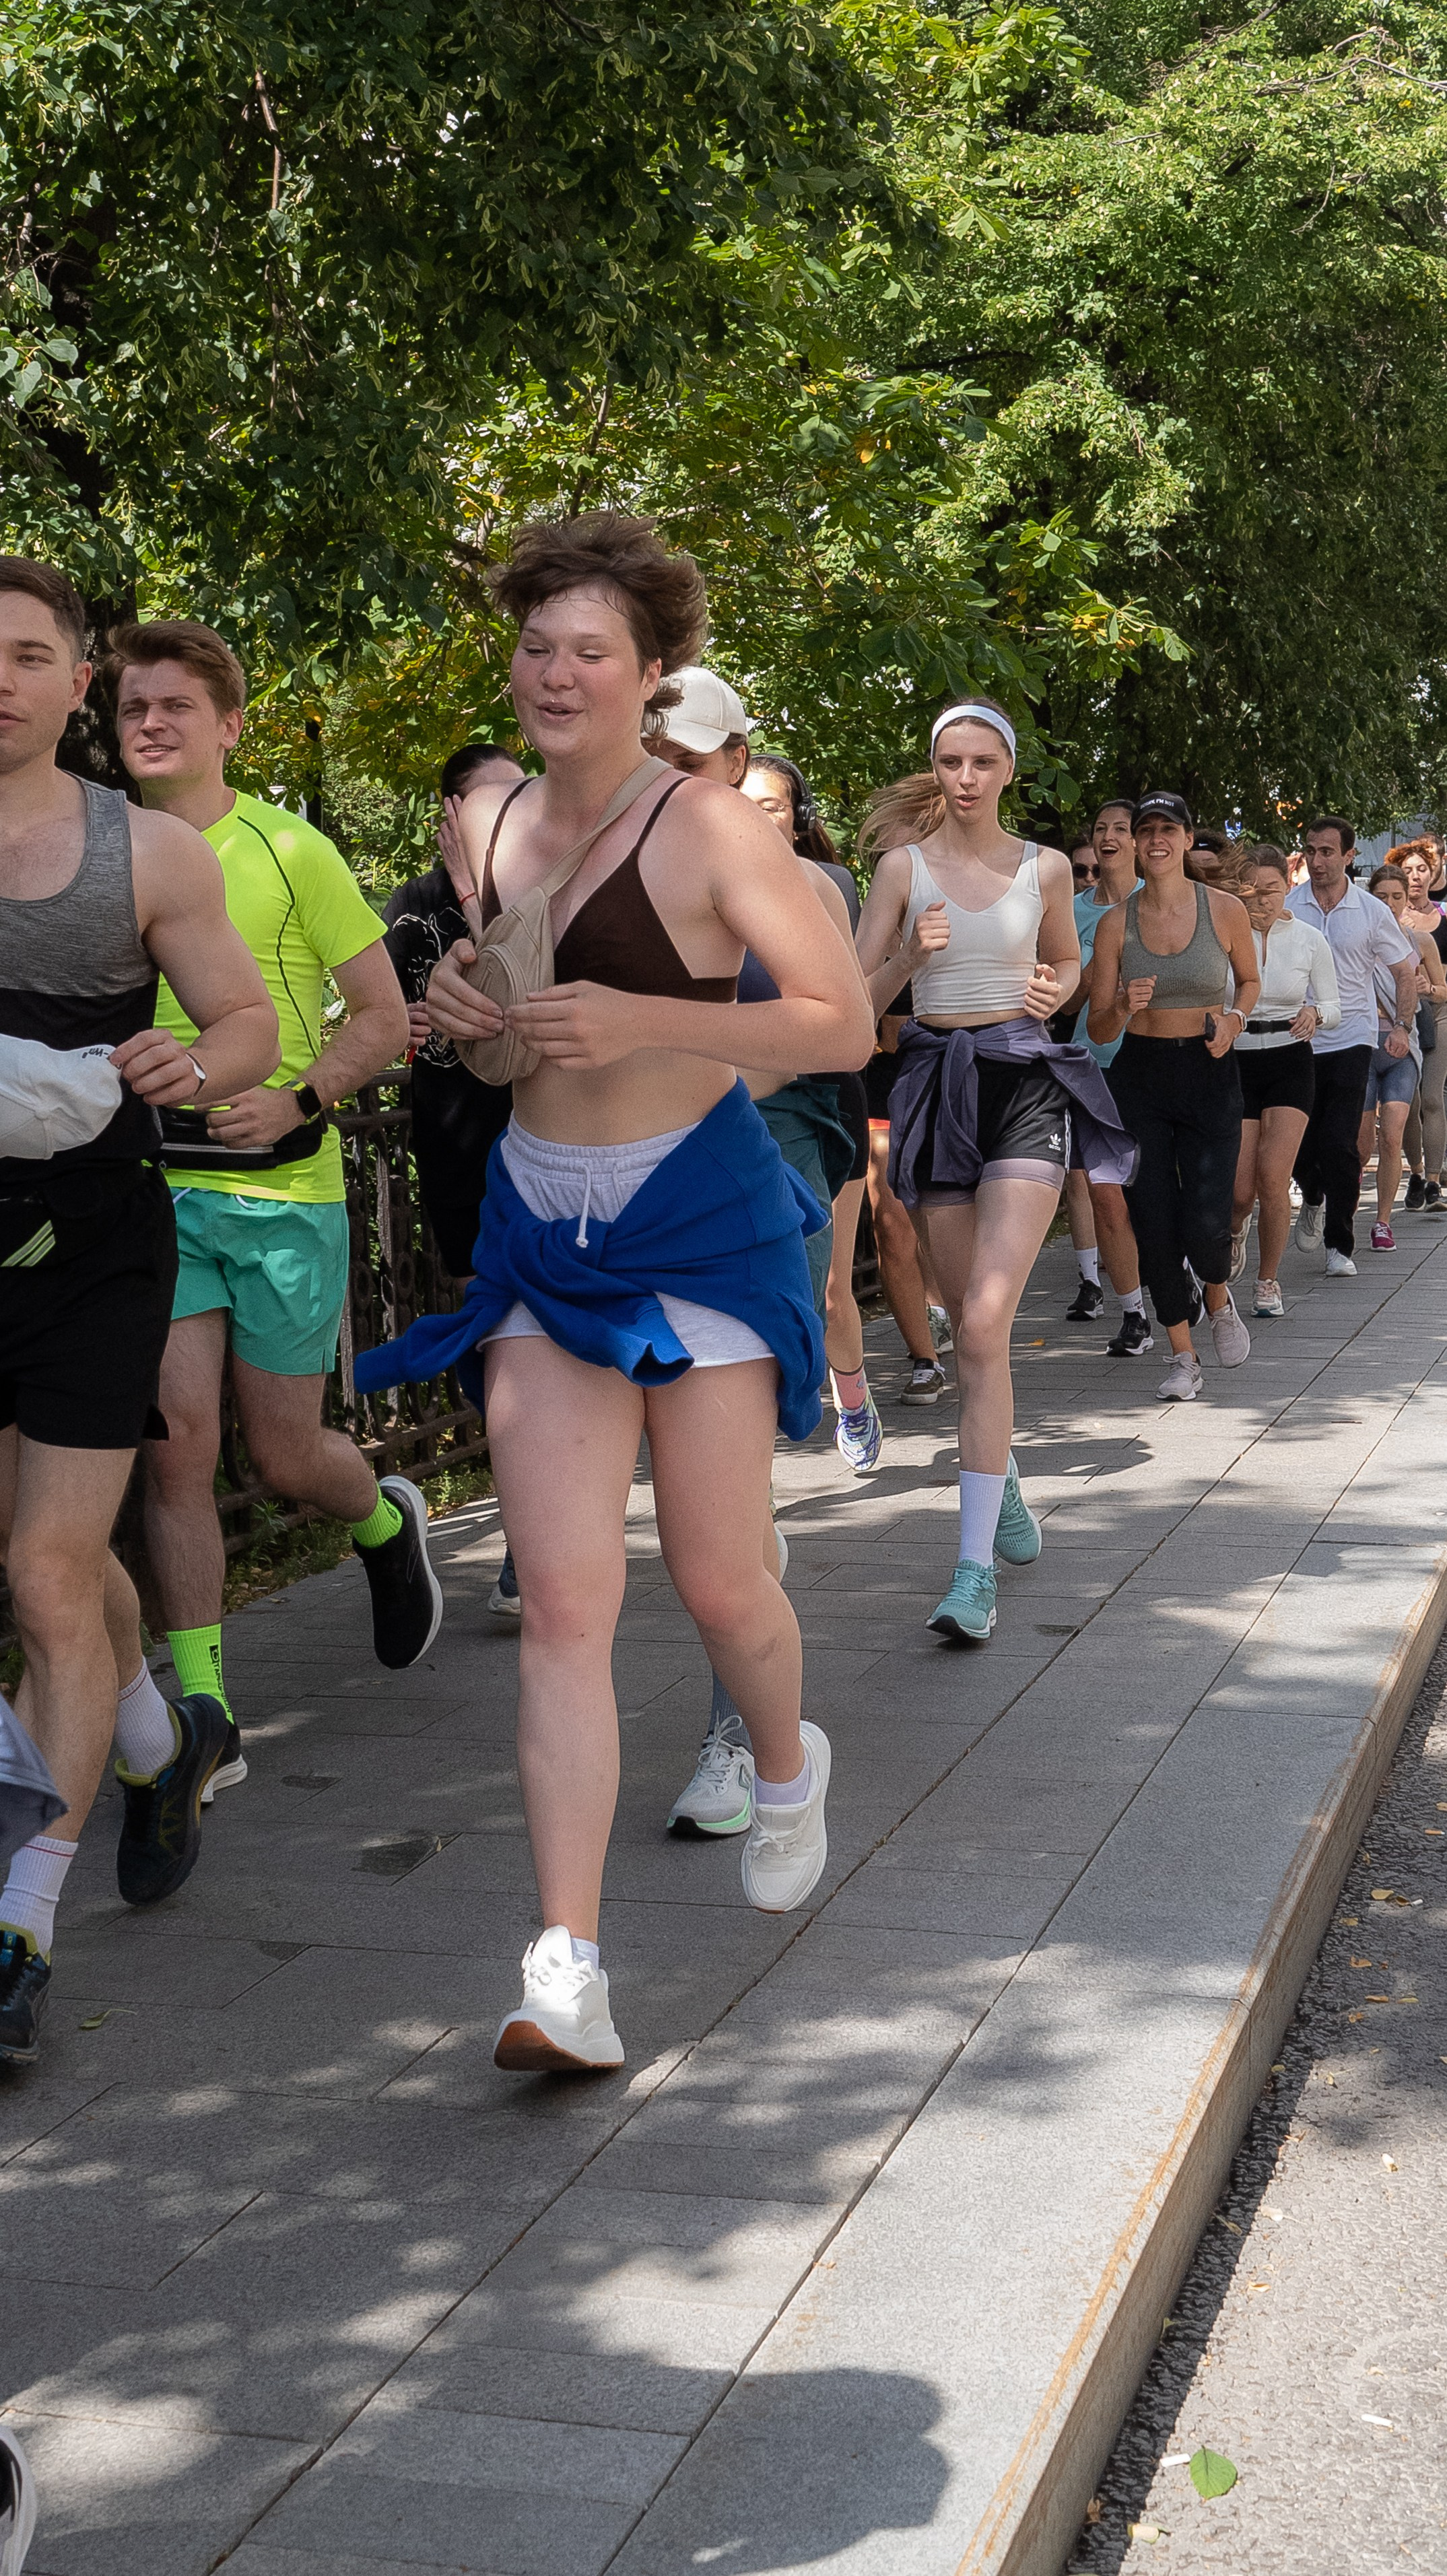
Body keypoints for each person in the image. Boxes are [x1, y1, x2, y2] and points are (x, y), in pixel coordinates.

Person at [356, 512, 873, 2072]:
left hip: (696, 1213)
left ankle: (788, 1762)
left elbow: (841, 1023)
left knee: (721, 1584)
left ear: (652, 674)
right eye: (537, 645)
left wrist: (647, 1010)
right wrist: (463, 1010)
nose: (556, 671)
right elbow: (512, 1018)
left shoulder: (714, 831)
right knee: (565, 1605)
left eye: (592, 649)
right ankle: (564, 1969)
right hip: (541, 1227)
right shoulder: (501, 823)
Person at [0, 559, 280, 2066]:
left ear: (78, 680)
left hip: (100, 1242)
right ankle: (163, 1744)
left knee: (48, 1573)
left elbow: (243, 1020)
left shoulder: (148, 854)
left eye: (30, 655)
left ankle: (18, 1927)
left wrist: (197, 1063)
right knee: (39, 1559)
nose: (2, 678)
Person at [104, 619, 442, 1782]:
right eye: (132, 707)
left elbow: (384, 1020)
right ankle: (205, 1707)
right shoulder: (102, 854)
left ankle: (384, 1521)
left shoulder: (291, 849)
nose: (149, 724)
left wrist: (299, 1100)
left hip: (280, 1191)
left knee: (287, 1454)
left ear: (228, 726)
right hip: (152, 1190)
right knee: (176, 1449)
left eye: (174, 708)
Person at [856, 700, 1134, 1642]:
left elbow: (1062, 963)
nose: (965, 776)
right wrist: (907, 952)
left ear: (1007, 769)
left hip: (1022, 1081)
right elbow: (854, 1002)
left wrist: (1055, 987)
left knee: (981, 1322)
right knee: (965, 1329)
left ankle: (971, 1573)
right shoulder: (901, 867)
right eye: (949, 760)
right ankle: (1001, 1467)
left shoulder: (1047, 867)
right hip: (936, 1079)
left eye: (981, 761)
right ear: (933, 768)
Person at [384, 741, 529, 1619]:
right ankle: (529, 1512)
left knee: (534, 1332)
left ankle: (533, 1528)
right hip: (458, 1150)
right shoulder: (413, 909)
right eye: (490, 803)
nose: (512, 817)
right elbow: (395, 1019)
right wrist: (395, 1021)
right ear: (449, 813)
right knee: (497, 1338)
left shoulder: (548, 888)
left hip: (550, 1149)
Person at [1087, 791, 1260, 1401]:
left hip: (1210, 1069)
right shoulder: (1115, 924)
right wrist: (1118, 1006)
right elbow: (1097, 1029)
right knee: (1154, 1219)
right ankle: (1182, 1356)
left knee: (1208, 1218)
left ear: (1188, 839)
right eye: (1145, 830)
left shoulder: (1225, 909)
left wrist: (1236, 1018)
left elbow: (1249, 979)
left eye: (1168, 829)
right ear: (1134, 843)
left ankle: (1216, 1290)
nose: (1156, 839)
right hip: (1141, 1075)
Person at [741, 751, 881, 1470]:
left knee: (830, 1287)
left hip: (825, 1098)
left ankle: (851, 1396)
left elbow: (847, 1001)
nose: (760, 815)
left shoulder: (829, 883)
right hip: (740, 1103)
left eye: (774, 804)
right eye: (747, 802)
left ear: (798, 817)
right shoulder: (704, 886)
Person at [1288, 816, 1420, 1276]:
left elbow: (1405, 971)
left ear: (1348, 856)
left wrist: (1401, 1026)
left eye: (1327, 852)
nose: (1317, 860)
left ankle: (1338, 1245)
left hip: (1351, 1039)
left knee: (1340, 1142)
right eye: (1310, 851)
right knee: (1302, 1144)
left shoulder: (1369, 911)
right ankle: (1311, 1192)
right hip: (1297, 1041)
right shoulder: (1289, 908)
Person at [1229, 846, 1340, 1315]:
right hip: (1234, 1061)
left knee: (1273, 1179)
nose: (1261, 900)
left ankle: (1268, 1281)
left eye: (1271, 889)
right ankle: (1235, 1231)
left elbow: (1337, 1007)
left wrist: (1315, 1012)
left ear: (1286, 887)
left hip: (1290, 1059)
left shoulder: (1309, 939)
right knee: (1239, 1191)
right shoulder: (1223, 934)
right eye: (1250, 890)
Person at [1067, 797, 1155, 1356]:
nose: (1108, 837)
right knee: (1105, 1195)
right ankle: (1133, 1314)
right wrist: (1093, 968)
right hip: (1089, 1062)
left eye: (1120, 829)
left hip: (1155, 1061)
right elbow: (1064, 998)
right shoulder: (1070, 910)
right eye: (1100, 828)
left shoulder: (1161, 906)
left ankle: (1183, 1274)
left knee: (1155, 1194)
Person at [865, 1001, 953, 1402]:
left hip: (946, 1076)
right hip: (878, 1083)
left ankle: (941, 1312)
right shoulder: (862, 936)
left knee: (938, 1217)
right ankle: (925, 1361)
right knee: (892, 1222)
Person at [1357, 865, 1444, 1249]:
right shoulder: (1354, 938)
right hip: (1360, 1045)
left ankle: (1384, 1221)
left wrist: (1428, 987)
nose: (1390, 904)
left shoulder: (1420, 940)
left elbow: (1440, 990)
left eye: (1397, 897)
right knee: (1360, 1146)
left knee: (1393, 1133)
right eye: (1382, 897)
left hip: (1403, 1046)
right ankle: (1337, 1210)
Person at [1392, 843, 1447, 1209]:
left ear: (1434, 874)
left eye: (1422, 869)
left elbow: (1443, 985)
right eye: (1408, 870)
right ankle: (1414, 1171)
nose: (1415, 876)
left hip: (1440, 1013)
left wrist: (1433, 985)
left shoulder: (1442, 923)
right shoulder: (1390, 921)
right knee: (1408, 1103)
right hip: (1403, 1017)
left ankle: (1433, 1181)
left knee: (1431, 1097)